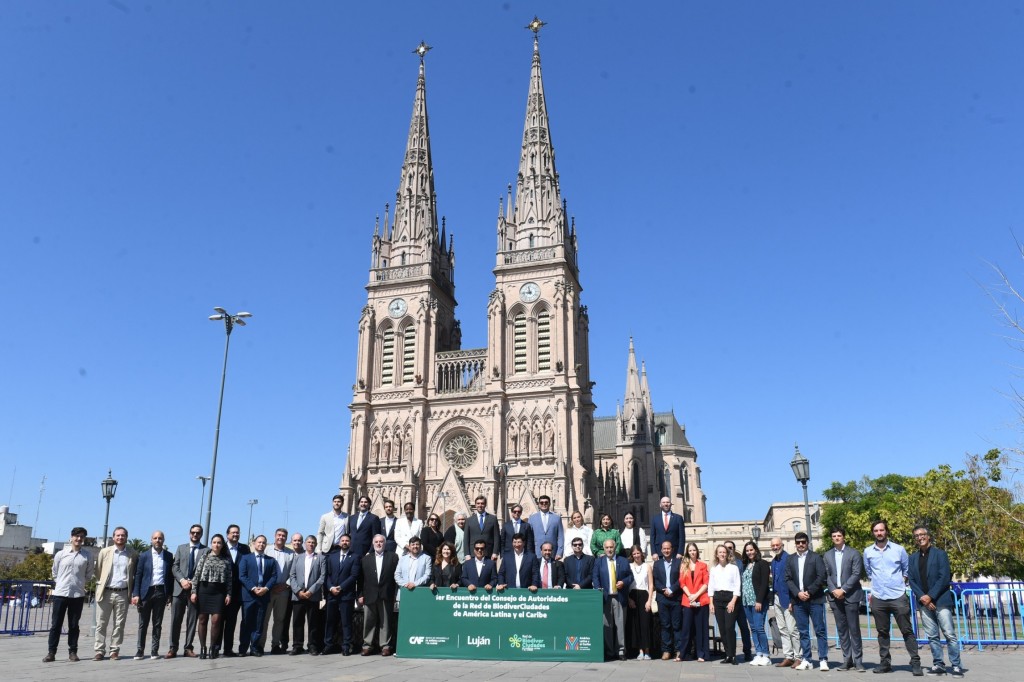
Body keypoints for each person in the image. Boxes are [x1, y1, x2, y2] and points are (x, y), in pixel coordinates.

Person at [863, 520, 922, 676]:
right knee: (882, 632)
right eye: (876, 531)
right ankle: (885, 663)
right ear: (873, 533)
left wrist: (900, 583)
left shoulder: (899, 549)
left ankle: (915, 662)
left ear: (886, 531)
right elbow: (869, 572)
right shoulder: (868, 552)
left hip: (897, 596)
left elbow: (906, 569)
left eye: (881, 530)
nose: (879, 533)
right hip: (878, 597)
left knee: (907, 630)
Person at [907, 525, 962, 677]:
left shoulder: (940, 554)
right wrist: (923, 598)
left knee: (949, 634)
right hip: (924, 602)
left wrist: (930, 596)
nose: (920, 537)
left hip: (941, 600)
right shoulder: (912, 558)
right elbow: (911, 580)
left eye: (922, 534)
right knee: (932, 636)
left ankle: (956, 665)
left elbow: (944, 578)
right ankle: (938, 664)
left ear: (928, 536)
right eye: (917, 535)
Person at [43, 527, 93, 663]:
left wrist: (79, 583)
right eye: (76, 536)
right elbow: (54, 572)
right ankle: (51, 652)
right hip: (60, 593)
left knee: (74, 625)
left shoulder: (87, 556)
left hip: (77, 594)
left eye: (82, 536)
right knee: (56, 625)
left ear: (84, 539)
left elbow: (88, 575)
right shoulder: (61, 554)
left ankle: (73, 652)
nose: (79, 539)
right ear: (71, 537)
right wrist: (61, 583)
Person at [785, 531, 830, 671]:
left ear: (807, 543)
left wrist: (809, 592)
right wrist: (798, 593)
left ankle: (823, 659)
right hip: (799, 602)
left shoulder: (816, 557)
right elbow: (788, 578)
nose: (801, 544)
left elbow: (821, 576)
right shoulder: (790, 559)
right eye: (798, 542)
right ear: (795, 544)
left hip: (815, 599)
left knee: (820, 630)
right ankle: (807, 659)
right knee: (803, 632)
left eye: (803, 542)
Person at [92, 526, 137, 661]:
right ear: (113, 537)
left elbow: (133, 573)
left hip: (123, 593)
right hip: (106, 592)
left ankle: (114, 650)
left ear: (126, 538)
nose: (120, 538)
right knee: (101, 623)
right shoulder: (105, 552)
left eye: (123, 535)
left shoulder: (132, 554)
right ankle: (99, 650)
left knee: (119, 624)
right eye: (118, 535)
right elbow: (98, 570)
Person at [824, 526, 866, 671]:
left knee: (854, 629)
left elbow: (856, 573)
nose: (836, 538)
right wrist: (834, 590)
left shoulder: (854, 553)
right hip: (835, 596)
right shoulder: (827, 555)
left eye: (839, 536)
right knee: (842, 630)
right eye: (834, 536)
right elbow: (826, 575)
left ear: (844, 537)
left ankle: (858, 661)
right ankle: (846, 659)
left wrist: (843, 589)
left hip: (851, 595)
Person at [190, 533, 232, 659]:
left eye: (219, 542)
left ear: (222, 544)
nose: (216, 545)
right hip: (204, 590)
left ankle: (213, 647)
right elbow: (196, 575)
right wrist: (193, 591)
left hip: (219, 592)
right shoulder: (205, 557)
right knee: (202, 619)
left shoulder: (226, 559)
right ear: (211, 543)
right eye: (214, 542)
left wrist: (229, 594)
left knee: (216, 620)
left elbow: (229, 579)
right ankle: (203, 647)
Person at [358, 533, 399, 656]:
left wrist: (396, 594)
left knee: (385, 622)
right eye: (376, 542)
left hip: (386, 594)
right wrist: (360, 595)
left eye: (381, 542)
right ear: (373, 544)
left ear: (385, 543)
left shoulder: (393, 557)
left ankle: (385, 645)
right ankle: (367, 645)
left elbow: (396, 577)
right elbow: (360, 579)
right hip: (369, 594)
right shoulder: (366, 559)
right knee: (368, 621)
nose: (379, 544)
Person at [238, 534, 279, 657]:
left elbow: (274, 576)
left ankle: (254, 647)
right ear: (254, 544)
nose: (261, 545)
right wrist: (254, 588)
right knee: (246, 622)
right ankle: (243, 648)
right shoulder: (245, 558)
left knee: (259, 623)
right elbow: (242, 576)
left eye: (263, 543)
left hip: (263, 595)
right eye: (259, 542)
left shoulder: (270, 560)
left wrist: (265, 588)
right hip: (249, 596)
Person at [169, 524, 205, 658]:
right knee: (175, 620)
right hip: (179, 589)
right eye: (193, 532)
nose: (195, 535)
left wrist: (192, 582)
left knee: (192, 620)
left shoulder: (205, 550)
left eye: (198, 533)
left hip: (195, 591)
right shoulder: (180, 548)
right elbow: (175, 567)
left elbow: (203, 570)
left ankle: (188, 648)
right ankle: (173, 648)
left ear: (201, 534)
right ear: (189, 533)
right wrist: (183, 580)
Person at [594, 537, 633, 661]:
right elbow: (595, 576)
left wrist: (624, 582)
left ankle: (621, 650)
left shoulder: (623, 560)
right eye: (607, 547)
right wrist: (598, 587)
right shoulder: (599, 562)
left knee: (620, 625)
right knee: (607, 625)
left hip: (619, 597)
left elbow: (630, 577)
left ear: (615, 548)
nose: (609, 549)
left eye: (611, 547)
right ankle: (610, 651)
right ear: (604, 549)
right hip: (605, 598)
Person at [323, 533, 361, 656]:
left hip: (346, 594)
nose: (344, 542)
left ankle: (346, 645)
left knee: (346, 622)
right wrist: (330, 587)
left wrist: (341, 587)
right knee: (330, 621)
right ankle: (328, 644)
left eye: (347, 541)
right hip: (332, 594)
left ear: (350, 543)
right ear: (339, 543)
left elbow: (354, 575)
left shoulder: (355, 557)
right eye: (342, 540)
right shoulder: (331, 557)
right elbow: (327, 575)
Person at [289, 534, 325, 656]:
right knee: (297, 622)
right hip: (298, 595)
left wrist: (311, 591)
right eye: (309, 542)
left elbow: (322, 577)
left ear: (315, 544)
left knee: (313, 622)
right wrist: (298, 591)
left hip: (312, 595)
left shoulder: (320, 558)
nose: (311, 544)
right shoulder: (297, 558)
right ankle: (297, 645)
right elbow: (292, 575)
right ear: (305, 543)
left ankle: (312, 645)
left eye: (313, 542)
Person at [262, 527, 295, 655]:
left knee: (280, 619)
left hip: (283, 591)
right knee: (264, 619)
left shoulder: (291, 554)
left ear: (286, 538)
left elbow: (293, 573)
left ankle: (276, 644)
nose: (281, 537)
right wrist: (269, 586)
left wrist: (286, 585)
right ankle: (260, 645)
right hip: (268, 590)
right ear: (275, 536)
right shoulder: (266, 550)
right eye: (279, 535)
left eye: (283, 536)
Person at [769, 536, 801, 667]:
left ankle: (798, 656)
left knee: (792, 628)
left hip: (787, 598)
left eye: (777, 545)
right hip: (777, 597)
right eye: (773, 546)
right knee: (782, 628)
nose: (775, 547)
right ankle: (788, 656)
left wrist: (792, 600)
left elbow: (793, 580)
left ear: (782, 545)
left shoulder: (789, 559)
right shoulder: (773, 561)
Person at [740, 541, 772, 666]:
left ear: (756, 550)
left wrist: (759, 600)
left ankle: (766, 655)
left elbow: (765, 583)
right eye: (747, 550)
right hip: (746, 601)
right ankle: (758, 653)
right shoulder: (746, 565)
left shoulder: (762, 564)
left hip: (758, 601)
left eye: (751, 550)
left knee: (759, 628)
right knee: (753, 628)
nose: (749, 552)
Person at [221, 523, 251, 657]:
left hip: (239, 591)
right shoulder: (221, 547)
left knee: (232, 621)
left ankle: (228, 649)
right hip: (222, 591)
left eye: (237, 532)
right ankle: (215, 648)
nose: (235, 534)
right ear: (227, 534)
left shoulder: (245, 549)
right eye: (233, 532)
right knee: (219, 620)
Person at [708, 543, 740, 665]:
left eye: (724, 552)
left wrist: (733, 601)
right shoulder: (714, 569)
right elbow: (711, 587)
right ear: (716, 554)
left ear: (727, 554)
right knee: (722, 629)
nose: (722, 554)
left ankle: (733, 655)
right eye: (720, 552)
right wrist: (711, 603)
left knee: (729, 628)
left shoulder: (733, 568)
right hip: (717, 599)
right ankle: (728, 654)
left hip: (730, 598)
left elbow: (737, 586)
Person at [679, 542, 710, 662]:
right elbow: (682, 583)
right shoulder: (684, 566)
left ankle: (701, 654)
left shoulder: (703, 565)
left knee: (701, 628)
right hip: (688, 600)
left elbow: (706, 583)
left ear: (697, 551)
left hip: (701, 599)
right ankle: (683, 654)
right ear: (687, 552)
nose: (692, 552)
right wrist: (690, 595)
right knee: (686, 628)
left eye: (694, 550)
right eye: (690, 550)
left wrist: (696, 595)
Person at [652, 540, 683, 660]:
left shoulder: (678, 563)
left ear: (672, 549)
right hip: (662, 598)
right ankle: (666, 650)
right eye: (664, 549)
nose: (666, 550)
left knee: (677, 625)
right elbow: (655, 580)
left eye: (668, 548)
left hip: (676, 598)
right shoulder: (657, 564)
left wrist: (672, 589)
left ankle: (678, 649)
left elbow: (681, 579)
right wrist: (664, 589)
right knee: (665, 625)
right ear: (661, 550)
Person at [723, 540, 753, 662]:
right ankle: (730, 653)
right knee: (729, 628)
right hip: (726, 600)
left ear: (734, 549)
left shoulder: (741, 563)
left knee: (744, 627)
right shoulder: (721, 564)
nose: (729, 550)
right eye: (726, 548)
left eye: (730, 547)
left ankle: (747, 651)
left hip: (739, 600)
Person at [626, 545, 654, 660]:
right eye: (634, 554)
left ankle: (647, 650)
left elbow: (651, 585)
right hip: (632, 595)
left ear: (641, 554)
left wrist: (649, 601)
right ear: (632, 555)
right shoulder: (629, 567)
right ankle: (640, 651)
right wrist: (629, 599)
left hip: (644, 595)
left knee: (645, 623)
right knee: (635, 624)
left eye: (638, 553)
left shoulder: (647, 566)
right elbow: (626, 585)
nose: (636, 555)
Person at [465, 496, 500, 561]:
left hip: (489, 553)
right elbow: (466, 538)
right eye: (478, 503)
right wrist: (467, 554)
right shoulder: (469, 520)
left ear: (485, 504)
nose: (480, 505)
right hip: (473, 554)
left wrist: (495, 552)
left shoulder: (493, 519)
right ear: (475, 505)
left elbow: (496, 537)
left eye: (482, 503)